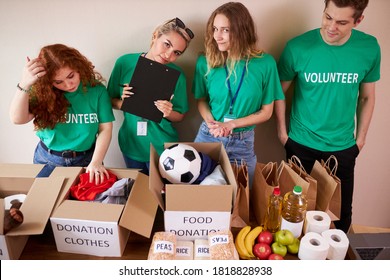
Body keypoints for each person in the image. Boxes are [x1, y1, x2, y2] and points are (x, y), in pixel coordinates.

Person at [275, 0, 381, 233]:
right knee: (294, 215)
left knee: (341, 219)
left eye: (342, 22)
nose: (331, 27)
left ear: (358, 21)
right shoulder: (297, 47)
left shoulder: (369, 48)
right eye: (327, 17)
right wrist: (283, 134)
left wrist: (360, 140)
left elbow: (367, 98)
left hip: (343, 146)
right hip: (300, 143)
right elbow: (277, 93)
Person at [192, 2, 284, 188]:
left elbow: (266, 112)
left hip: (242, 142)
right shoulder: (205, 62)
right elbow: (201, 100)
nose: (217, 36)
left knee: (241, 196)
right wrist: (212, 123)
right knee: (198, 196)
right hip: (209, 136)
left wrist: (231, 124)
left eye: (225, 30)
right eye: (215, 29)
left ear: (242, 30)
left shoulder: (265, 64)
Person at [10, 44, 115, 184]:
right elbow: (17, 119)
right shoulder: (44, 93)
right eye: (58, 82)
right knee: (45, 202)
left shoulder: (97, 91)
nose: (68, 84)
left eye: (71, 76)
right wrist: (24, 84)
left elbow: (105, 129)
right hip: (48, 159)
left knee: (84, 203)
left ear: (78, 67)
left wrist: (96, 161)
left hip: (87, 158)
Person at [107, 18, 194, 173]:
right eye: (167, 44)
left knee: (162, 194)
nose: (168, 55)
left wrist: (168, 112)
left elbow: (180, 116)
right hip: (131, 143)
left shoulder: (177, 75)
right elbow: (109, 101)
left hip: (163, 147)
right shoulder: (125, 63)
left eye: (177, 53)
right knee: (137, 192)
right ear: (155, 36)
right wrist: (124, 101)